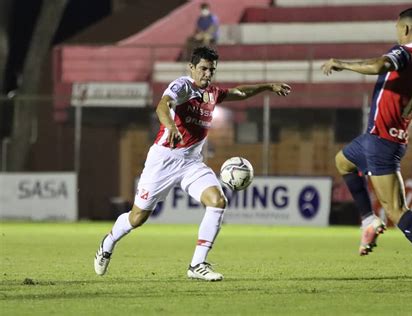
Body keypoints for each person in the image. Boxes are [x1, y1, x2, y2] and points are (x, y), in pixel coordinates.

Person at [94, 46, 291, 281]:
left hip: (191, 163)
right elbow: (163, 105)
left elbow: (239, 93)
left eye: (212, 70)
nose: (207, 74)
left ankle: (197, 264)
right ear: (192, 67)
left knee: (218, 201)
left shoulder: (213, 93)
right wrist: (171, 126)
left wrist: (267, 87)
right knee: (137, 218)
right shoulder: (183, 86)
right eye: (203, 69)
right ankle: (109, 241)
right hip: (164, 160)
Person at [321, 7, 412, 290]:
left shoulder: (406, 53)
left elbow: (380, 65)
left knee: (396, 209)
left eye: (397, 29)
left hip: (383, 142)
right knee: (343, 162)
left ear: (404, 29)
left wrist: (342, 63)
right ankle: (368, 220)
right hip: (376, 137)